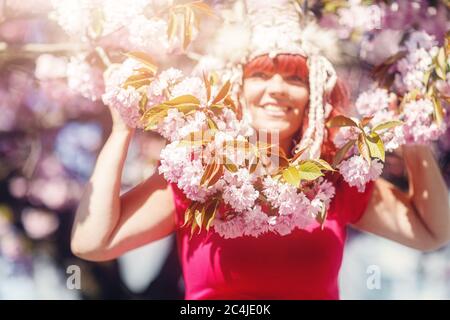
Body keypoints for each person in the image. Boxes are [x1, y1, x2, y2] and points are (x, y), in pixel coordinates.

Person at [70, 0, 450, 299]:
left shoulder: (333, 179)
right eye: (261, 76)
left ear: (313, 95)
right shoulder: (200, 174)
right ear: (238, 88)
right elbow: (92, 242)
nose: (277, 90)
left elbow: (432, 233)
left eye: (295, 78)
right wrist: (122, 130)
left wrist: (411, 132)